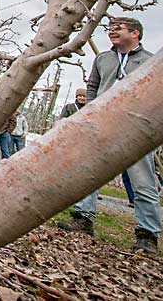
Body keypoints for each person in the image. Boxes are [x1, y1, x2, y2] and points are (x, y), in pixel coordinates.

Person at [57, 17, 158, 254]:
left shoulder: (149, 61)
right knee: (89, 173)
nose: (112, 32)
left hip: (136, 129)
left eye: (118, 29)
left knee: (143, 181)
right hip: (102, 126)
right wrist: (93, 111)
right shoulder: (104, 59)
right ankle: (83, 218)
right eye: (110, 29)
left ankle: (147, 234)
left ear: (135, 34)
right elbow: (92, 87)